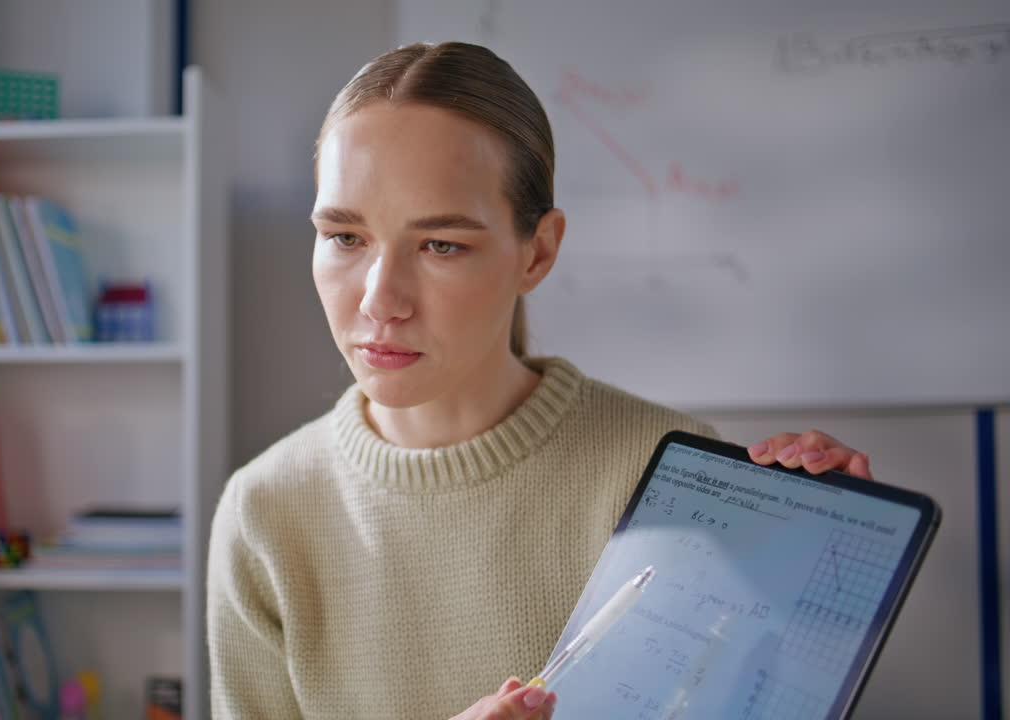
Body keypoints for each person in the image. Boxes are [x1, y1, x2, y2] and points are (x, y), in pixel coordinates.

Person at [206, 41, 873, 720]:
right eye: (345, 237)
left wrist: (815, 577)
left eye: (441, 244)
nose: (381, 300)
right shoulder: (264, 511)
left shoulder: (671, 475)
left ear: (539, 251)